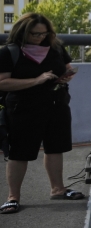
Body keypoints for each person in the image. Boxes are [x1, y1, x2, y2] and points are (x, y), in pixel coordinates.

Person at [0, 13, 80, 215]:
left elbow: (67, 67)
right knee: (19, 152)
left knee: (55, 148)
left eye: (45, 34)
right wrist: (36, 80)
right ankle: (13, 197)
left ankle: (58, 189)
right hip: (23, 107)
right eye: (35, 34)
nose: (40, 38)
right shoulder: (10, 52)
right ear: (23, 32)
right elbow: (3, 83)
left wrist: (66, 76)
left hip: (56, 103)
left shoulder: (55, 48)